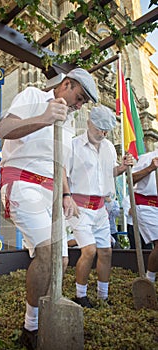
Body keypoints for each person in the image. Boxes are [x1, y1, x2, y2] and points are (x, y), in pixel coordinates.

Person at [0, 68, 98, 349]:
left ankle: (39, 317)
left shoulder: (66, 123)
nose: (79, 106)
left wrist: (66, 194)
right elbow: (4, 130)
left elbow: (60, 165)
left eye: (82, 103)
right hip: (22, 183)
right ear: (66, 84)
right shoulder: (33, 95)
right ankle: (30, 328)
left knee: (61, 260)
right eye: (78, 98)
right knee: (49, 252)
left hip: (52, 193)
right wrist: (44, 118)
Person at [66, 105, 134, 308]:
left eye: (106, 130)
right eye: (99, 128)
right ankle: (80, 295)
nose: (102, 133)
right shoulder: (74, 145)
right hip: (79, 208)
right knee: (89, 250)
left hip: (101, 209)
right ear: (89, 123)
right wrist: (65, 197)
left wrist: (122, 167)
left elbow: (109, 172)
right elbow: (64, 174)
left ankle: (103, 296)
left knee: (106, 252)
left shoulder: (109, 147)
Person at [132, 149, 158, 283]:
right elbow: (130, 179)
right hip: (147, 205)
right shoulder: (147, 158)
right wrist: (151, 168)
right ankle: (149, 280)